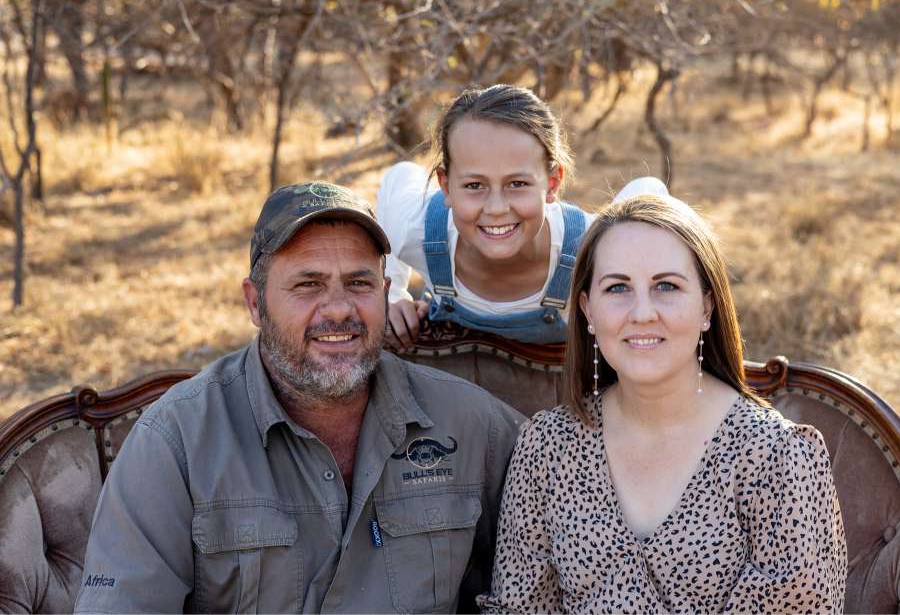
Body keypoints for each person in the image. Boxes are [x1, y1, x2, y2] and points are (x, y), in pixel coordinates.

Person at [74, 181, 524, 614]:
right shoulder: (175, 443)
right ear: (255, 303)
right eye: (307, 284)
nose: (338, 309)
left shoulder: (470, 425)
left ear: (386, 295)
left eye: (359, 283)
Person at [480, 194, 847, 613]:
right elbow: (518, 608)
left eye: (666, 286)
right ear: (588, 311)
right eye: (618, 288)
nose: (642, 313)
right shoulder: (547, 448)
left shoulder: (776, 456)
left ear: (706, 306)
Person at [377, 84, 666, 350]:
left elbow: (648, 189)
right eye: (474, 186)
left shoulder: (589, 251)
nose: (497, 208)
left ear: (552, 184)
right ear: (445, 187)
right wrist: (391, 292)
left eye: (517, 184)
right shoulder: (415, 232)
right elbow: (401, 175)